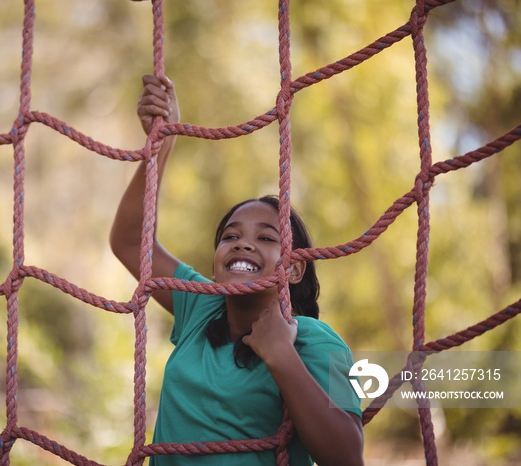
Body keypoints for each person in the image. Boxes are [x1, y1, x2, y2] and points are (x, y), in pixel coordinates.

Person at [110, 75, 364, 466]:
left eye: (266, 238)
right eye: (230, 236)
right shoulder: (200, 308)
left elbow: (347, 457)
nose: (243, 244)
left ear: (294, 270)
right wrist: (164, 143)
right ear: (216, 265)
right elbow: (129, 241)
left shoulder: (316, 341)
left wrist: (281, 354)